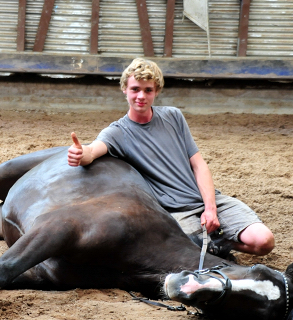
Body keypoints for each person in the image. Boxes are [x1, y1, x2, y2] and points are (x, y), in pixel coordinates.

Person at [67, 58, 274, 257]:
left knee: (264, 242)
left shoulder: (173, 116)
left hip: (208, 200)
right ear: (124, 90)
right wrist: (80, 153)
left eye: (148, 90)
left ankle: (224, 243)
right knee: (194, 253)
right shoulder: (117, 132)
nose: (141, 96)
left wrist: (210, 208)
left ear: (156, 91)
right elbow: (92, 151)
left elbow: (199, 165)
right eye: (135, 89)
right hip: (175, 213)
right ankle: (215, 247)